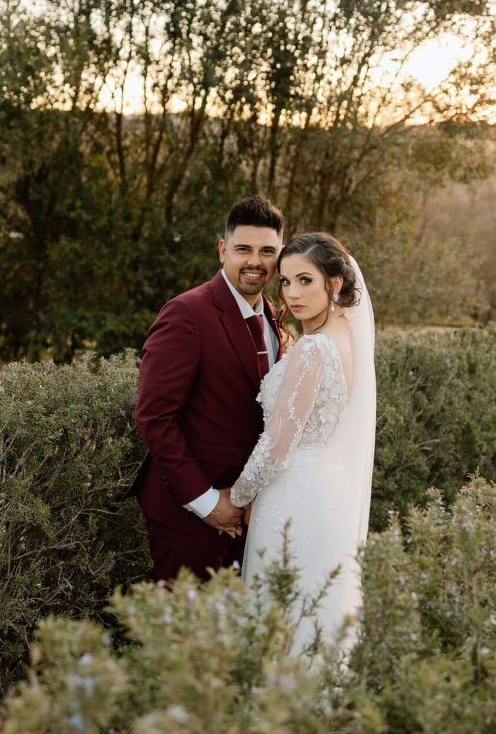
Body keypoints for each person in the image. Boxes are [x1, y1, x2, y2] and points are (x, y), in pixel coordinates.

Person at [230, 232, 376, 651]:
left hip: (291, 492)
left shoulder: (315, 349)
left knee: (280, 608)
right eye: (286, 281)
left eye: (305, 280)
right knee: (310, 603)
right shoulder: (347, 336)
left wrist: (238, 498)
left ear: (334, 283)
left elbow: (277, 446)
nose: (292, 293)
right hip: (324, 489)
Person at [132, 195, 285, 582]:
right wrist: (206, 502)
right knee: (183, 620)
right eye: (243, 249)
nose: (255, 261)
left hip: (250, 514)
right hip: (189, 515)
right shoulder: (187, 313)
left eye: (267, 251)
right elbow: (155, 416)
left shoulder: (273, 317)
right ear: (222, 250)